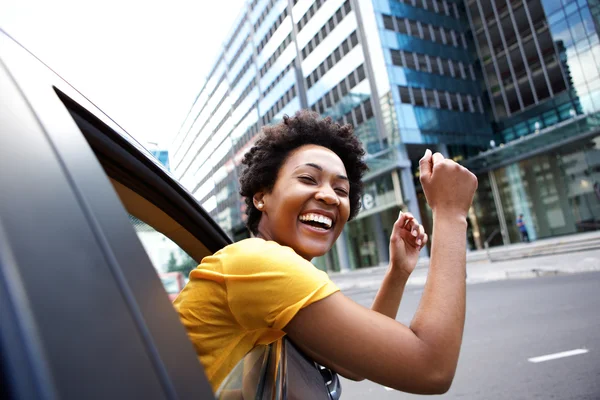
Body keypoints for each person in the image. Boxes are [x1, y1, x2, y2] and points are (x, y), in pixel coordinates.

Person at [174, 110, 478, 395]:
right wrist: (451, 213)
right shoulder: (259, 263)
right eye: (308, 179)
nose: (329, 197)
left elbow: (355, 362)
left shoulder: (263, 267)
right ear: (261, 197)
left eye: (341, 190)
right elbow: (431, 368)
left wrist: (397, 273)